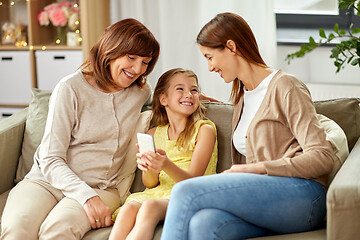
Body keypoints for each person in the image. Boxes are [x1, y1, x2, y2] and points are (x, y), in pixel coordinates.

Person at [161, 12, 340, 240]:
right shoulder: (243, 97)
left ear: (231, 47)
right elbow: (260, 131)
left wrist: (259, 168)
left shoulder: (286, 87)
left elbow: (323, 156)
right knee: (203, 224)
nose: (209, 67)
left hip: (303, 196)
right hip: (267, 199)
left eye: (210, 57)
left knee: (184, 191)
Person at [1, 18, 160, 239]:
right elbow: (50, 158)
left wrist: (193, 97)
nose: (137, 69)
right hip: (45, 182)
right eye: (131, 57)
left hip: (101, 187)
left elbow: (166, 97)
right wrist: (86, 197)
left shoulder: (139, 91)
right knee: (17, 229)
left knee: (57, 231)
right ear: (110, 50)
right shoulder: (70, 89)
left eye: (145, 62)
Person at [108, 68, 218, 240]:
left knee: (149, 207)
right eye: (180, 89)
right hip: (157, 193)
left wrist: (166, 164)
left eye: (194, 90)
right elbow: (150, 184)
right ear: (163, 99)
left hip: (189, 193)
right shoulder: (153, 134)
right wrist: (150, 168)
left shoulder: (204, 130)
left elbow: (194, 181)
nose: (189, 94)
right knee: (128, 209)